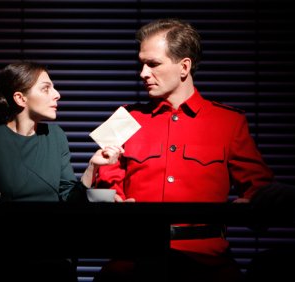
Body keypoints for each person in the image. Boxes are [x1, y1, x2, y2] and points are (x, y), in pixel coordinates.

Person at [93, 18, 274, 282]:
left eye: (153, 64)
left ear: (184, 67)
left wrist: (256, 203)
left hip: (206, 264)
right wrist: (112, 200)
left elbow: (261, 189)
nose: (143, 73)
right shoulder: (123, 118)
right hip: (136, 261)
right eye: (141, 64)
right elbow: (103, 185)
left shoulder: (229, 121)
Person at [0, 61, 124, 282]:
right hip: (4, 261)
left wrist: (92, 166)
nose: (57, 95)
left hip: (53, 258)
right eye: (46, 88)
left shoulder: (56, 136)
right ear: (20, 98)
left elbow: (69, 199)